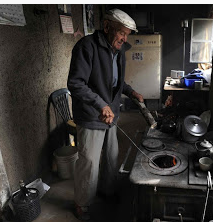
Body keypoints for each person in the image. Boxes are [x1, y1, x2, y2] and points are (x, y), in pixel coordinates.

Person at [67, 8, 143, 221]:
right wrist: (101, 105)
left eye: (127, 34)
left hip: (111, 114)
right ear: (107, 27)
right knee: (89, 161)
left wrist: (131, 92)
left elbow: (116, 82)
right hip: (92, 115)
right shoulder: (86, 47)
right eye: (121, 33)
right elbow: (76, 83)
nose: (124, 38)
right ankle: (82, 203)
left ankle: (107, 192)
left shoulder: (118, 50)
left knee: (111, 156)